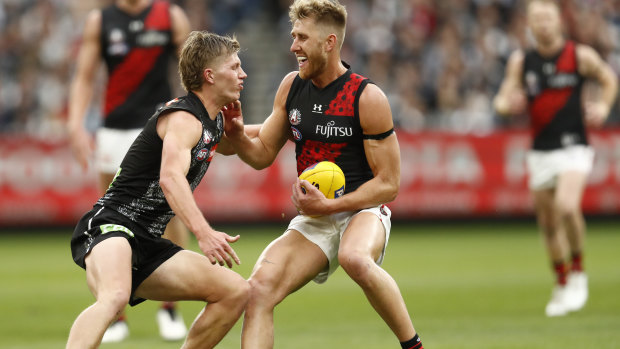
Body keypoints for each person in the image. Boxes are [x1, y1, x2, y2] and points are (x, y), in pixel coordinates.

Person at [223, 1, 423, 348]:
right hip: (316, 216)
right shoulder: (291, 87)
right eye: (292, 36)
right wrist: (238, 135)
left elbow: (389, 185)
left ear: (329, 43)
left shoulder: (367, 97)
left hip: (362, 210)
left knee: (354, 258)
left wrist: (331, 206)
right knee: (258, 291)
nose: (293, 46)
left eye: (301, 37)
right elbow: (262, 155)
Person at [66, 30, 250, 349]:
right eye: (234, 67)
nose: (242, 73)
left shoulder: (213, 120)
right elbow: (170, 179)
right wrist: (203, 232)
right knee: (115, 297)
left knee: (235, 291)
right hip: (113, 226)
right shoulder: (183, 117)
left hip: (148, 240)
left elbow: (250, 146)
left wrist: (295, 128)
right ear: (209, 75)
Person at [66, 0, 191, 341]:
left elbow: (191, 70)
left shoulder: (170, 15)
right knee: (109, 216)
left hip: (157, 124)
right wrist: (76, 124)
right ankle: (115, 313)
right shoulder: (101, 21)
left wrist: (190, 115)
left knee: (170, 212)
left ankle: (169, 308)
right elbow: (85, 75)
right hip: (114, 128)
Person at [493, 0, 618, 317]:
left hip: (574, 146)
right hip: (540, 151)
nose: (543, 23)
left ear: (559, 21)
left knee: (566, 206)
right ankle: (562, 284)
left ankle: (578, 272)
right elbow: (501, 102)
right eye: (537, 18)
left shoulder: (579, 55)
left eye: (548, 17)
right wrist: (510, 104)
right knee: (548, 226)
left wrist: (603, 107)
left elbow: (609, 79)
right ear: (530, 24)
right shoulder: (522, 62)